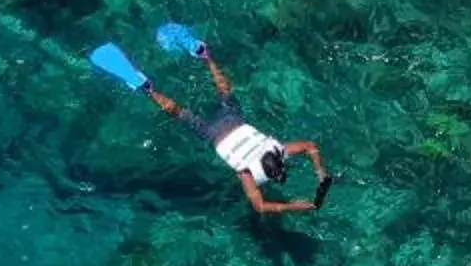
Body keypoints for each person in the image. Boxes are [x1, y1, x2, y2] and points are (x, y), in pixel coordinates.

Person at [132, 28, 332, 216]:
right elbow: (260, 206)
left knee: (224, 92)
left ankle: (204, 54)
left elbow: (310, 146)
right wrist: (295, 204)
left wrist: (320, 174)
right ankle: (148, 89)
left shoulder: (276, 150)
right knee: (181, 113)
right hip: (214, 134)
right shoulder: (248, 174)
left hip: (233, 122)